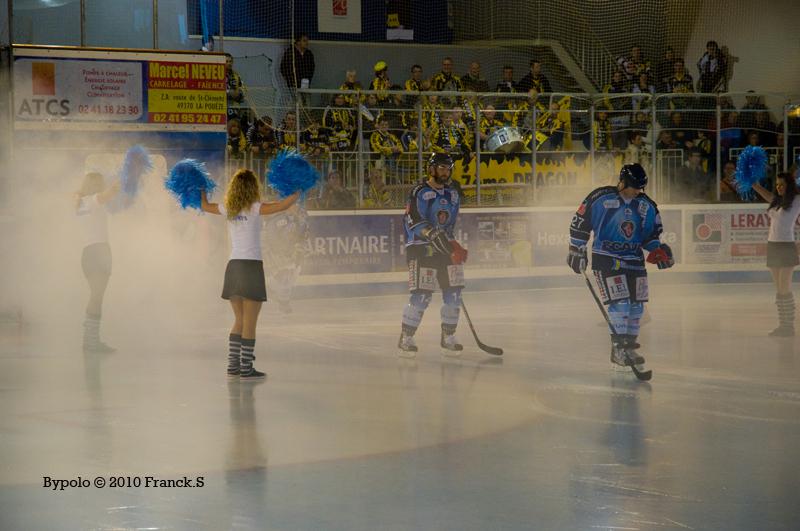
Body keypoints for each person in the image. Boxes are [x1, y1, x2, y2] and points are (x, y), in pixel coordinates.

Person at [567, 163, 674, 368]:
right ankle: (618, 349)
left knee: (637, 306)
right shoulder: (600, 198)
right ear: (622, 182)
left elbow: (650, 236)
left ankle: (629, 347)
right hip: (606, 257)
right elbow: (580, 223)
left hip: (634, 260)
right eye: (633, 186)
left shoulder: (647, 205)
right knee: (621, 302)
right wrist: (576, 249)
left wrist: (657, 251)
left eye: (640, 188)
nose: (636, 191)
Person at [200, 170, 299, 379]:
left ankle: (233, 365)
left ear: (234, 188)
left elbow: (204, 206)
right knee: (250, 323)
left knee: (239, 320)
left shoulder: (229, 208)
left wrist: (200, 187)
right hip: (251, 267)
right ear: (253, 188)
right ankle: (246, 367)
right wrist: (297, 192)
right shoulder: (255, 208)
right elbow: (282, 206)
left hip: (233, 267)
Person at [397, 153, 468, 358]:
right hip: (421, 248)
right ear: (431, 169)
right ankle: (406, 337)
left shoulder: (453, 195)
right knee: (422, 295)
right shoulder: (420, 191)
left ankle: (448, 337)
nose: (445, 172)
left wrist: (454, 246)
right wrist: (431, 234)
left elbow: (449, 226)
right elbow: (413, 220)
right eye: (441, 168)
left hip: (444, 248)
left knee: (454, 293)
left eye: (448, 168)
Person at [75, 171, 120, 353]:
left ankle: (92, 341)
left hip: (89, 252)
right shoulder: (92, 200)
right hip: (98, 252)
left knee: (96, 297)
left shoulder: (81, 203)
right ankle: (90, 343)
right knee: (96, 297)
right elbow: (110, 193)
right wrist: (125, 177)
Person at [751, 173, 800, 336]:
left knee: (784, 288)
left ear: (789, 185)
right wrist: (754, 184)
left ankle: (789, 326)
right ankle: (783, 325)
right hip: (772, 246)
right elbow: (764, 193)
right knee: (779, 289)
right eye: (777, 184)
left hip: (787, 246)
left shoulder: (797, 200)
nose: (779, 187)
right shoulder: (776, 201)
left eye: (782, 184)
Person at [263, 203, 310, 315]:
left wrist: (300, 248)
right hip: (280, 254)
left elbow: (303, 235)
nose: (297, 208)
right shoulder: (277, 219)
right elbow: (272, 237)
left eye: (298, 205)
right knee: (283, 277)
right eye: (294, 205)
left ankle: (282, 300)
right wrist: (283, 250)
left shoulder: (300, 219)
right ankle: (282, 302)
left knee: (291, 277)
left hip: (292, 254)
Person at [280, 33, 315, 104]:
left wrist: (308, 79)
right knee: (298, 103)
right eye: (304, 41)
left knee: (308, 103)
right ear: (298, 42)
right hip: (294, 84)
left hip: (305, 83)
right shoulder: (290, 53)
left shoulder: (309, 54)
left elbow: (312, 67)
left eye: (307, 41)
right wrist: (291, 81)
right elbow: (283, 68)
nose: (307, 43)